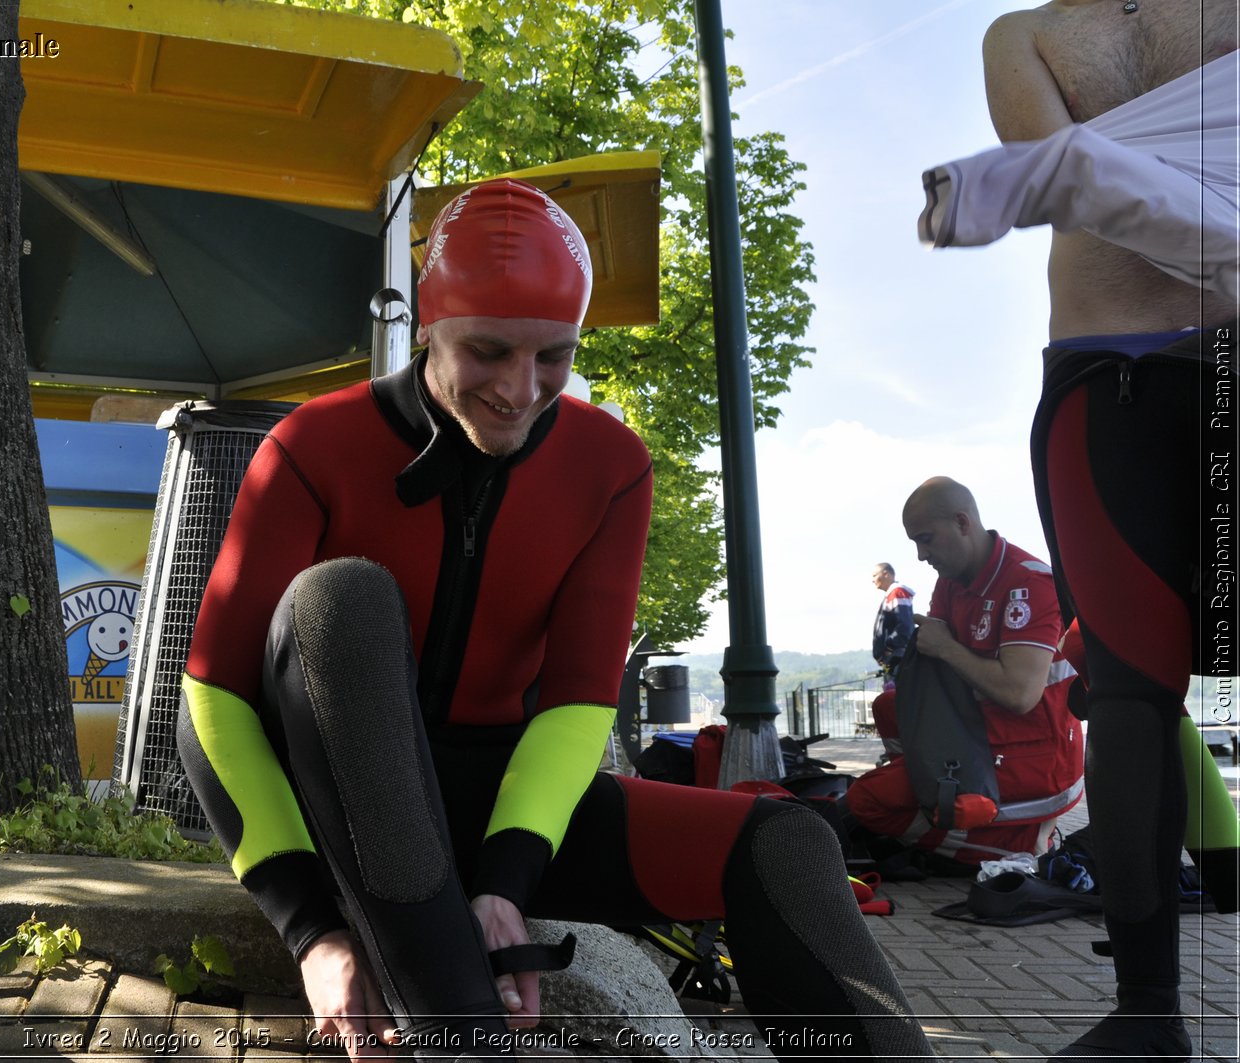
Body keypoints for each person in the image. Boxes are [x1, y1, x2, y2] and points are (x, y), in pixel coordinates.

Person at [174, 178, 931, 1061]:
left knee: (787, 844)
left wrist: (505, 883)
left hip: (504, 806)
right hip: (342, 797)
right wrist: (313, 930)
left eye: (553, 357)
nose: (519, 389)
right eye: (488, 350)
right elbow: (212, 703)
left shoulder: (608, 465)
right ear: (428, 323)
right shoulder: (314, 443)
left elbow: (576, 703)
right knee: (340, 598)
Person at [969, 3, 1240, 1057]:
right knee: (1126, 697)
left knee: (1133, 698)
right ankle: (1145, 1017)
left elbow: (1081, 180)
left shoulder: (1030, 42)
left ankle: (1149, 1014)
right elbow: (1060, 184)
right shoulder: (1019, 35)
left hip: (1131, 362)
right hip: (1122, 375)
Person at [846, 478, 1083, 866]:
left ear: (961, 522)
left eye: (926, 539)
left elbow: (1019, 695)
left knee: (867, 801)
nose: (921, 555)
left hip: (1033, 754)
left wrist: (946, 647)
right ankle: (944, 805)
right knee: (888, 706)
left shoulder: (1030, 583)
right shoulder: (952, 582)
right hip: (982, 734)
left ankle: (1000, 843)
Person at [870, 562, 914, 683]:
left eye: (874, 575)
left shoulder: (897, 593)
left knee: (895, 693)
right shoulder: (892, 594)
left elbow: (905, 625)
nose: (872, 580)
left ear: (886, 574)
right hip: (892, 657)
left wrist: (889, 647)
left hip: (896, 657)